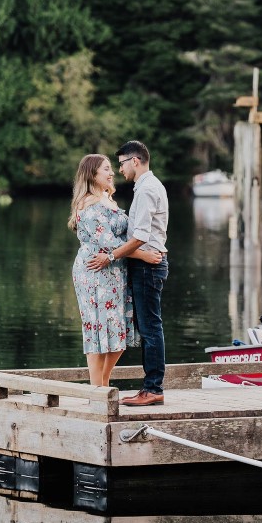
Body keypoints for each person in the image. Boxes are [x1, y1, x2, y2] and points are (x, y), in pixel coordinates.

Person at [87, 140, 168, 406]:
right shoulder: (148, 186)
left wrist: (110, 256)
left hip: (148, 265)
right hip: (146, 263)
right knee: (149, 326)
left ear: (135, 161)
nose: (119, 170)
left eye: (121, 163)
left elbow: (140, 237)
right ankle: (151, 387)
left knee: (150, 328)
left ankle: (153, 388)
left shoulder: (146, 191)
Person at [70, 154, 160, 387]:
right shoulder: (88, 205)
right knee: (97, 329)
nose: (112, 173)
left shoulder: (108, 199)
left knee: (117, 331)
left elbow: (124, 236)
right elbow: (109, 241)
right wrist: (144, 255)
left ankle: (103, 382)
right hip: (95, 272)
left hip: (115, 271)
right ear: (92, 175)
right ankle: (96, 389)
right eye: (106, 169)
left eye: (112, 168)